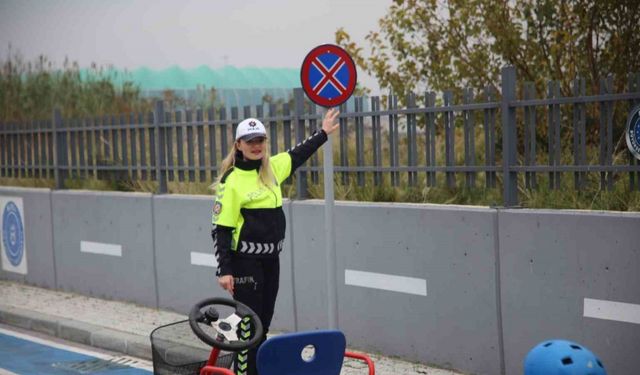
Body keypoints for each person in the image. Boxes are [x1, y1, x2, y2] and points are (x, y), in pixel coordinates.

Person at [211, 108, 340, 375]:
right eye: (250, 142)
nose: (256, 146)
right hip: (245, 262)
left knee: (263, 325)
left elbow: (299, 153)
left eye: (260, 141)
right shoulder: (231, 180)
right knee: (249, 325)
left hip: (271, 260)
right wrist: (225, 269)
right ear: (239, 145)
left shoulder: (273, 168)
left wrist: (323, 133)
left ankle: (255, 369)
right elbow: (220, 229)